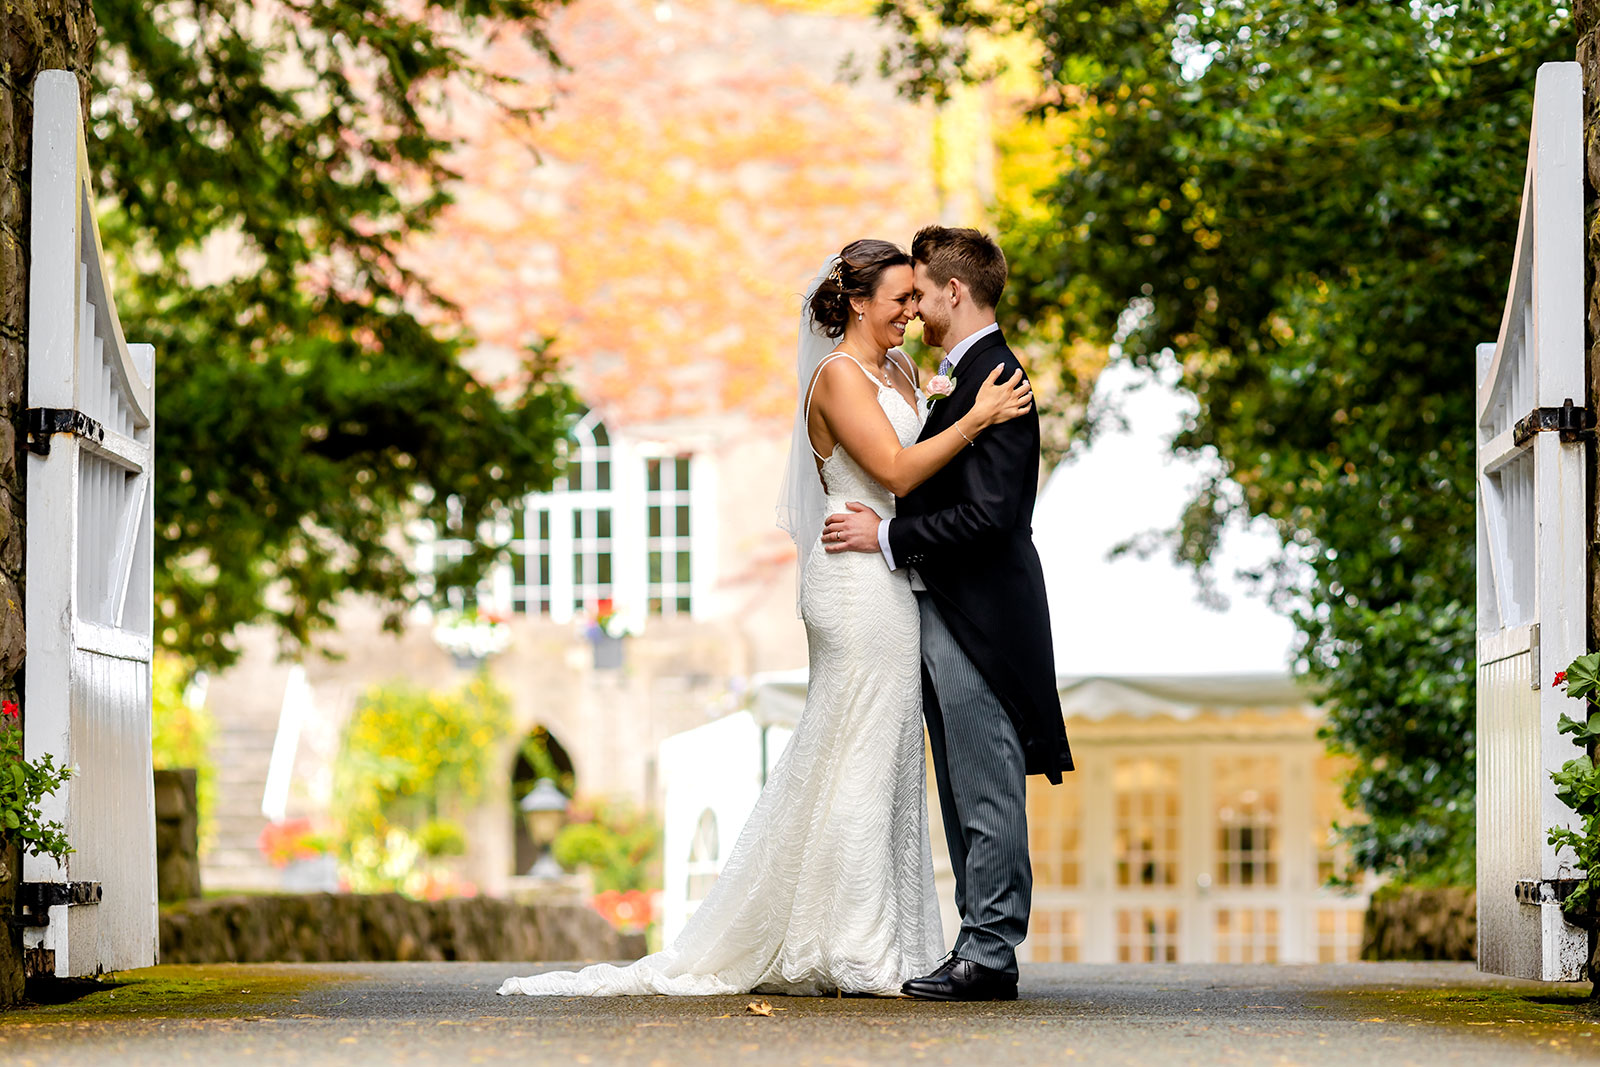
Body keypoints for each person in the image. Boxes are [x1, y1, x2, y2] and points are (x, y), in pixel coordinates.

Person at [497, 238, 1032, 997]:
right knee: (857, 746)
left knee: (882, 754)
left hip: (893, 574)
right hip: (852, 581)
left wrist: (937, 455)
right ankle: (850, 943)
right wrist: (975, 417)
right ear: (856, 301)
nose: (912, 311)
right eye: (900, 299)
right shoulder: (838, 378)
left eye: (918, 297)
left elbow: (924, 482)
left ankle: (883, 933)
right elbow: (895, 470)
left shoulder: (907, 371)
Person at [822, 225, 1073, 1002]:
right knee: (965, 784)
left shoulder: (1000, 377)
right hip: (942, 607)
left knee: (987, 780)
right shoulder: (960, 377)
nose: (916, 308)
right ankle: (979, 940)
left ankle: (992, 949)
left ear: (952, 292)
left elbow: (994, 514)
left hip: (982, 614)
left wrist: (890, 533)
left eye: (922, 293)